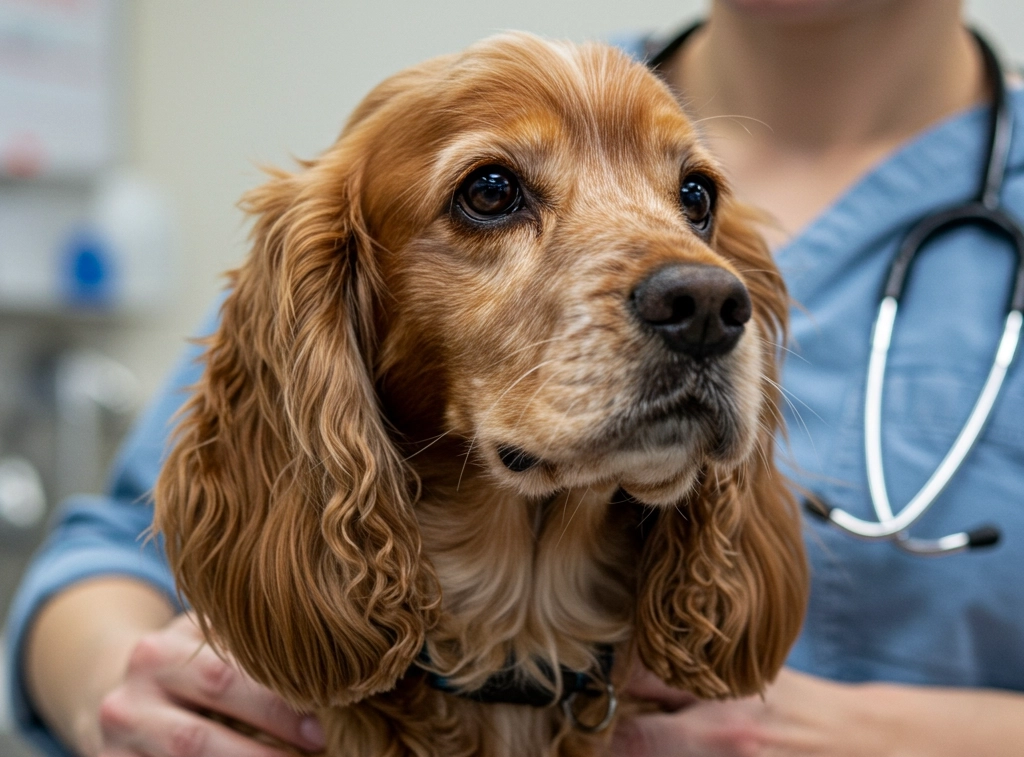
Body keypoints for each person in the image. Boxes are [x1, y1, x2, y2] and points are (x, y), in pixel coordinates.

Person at [6, 0, 1024, 755]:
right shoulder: (415, 141)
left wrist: (899, 735)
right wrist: (112, 679)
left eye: (693, 204)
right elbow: (111, 550)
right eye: (493, 196)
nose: (696, 290)